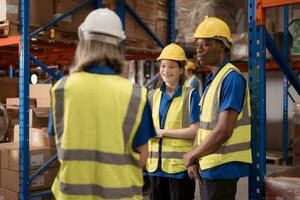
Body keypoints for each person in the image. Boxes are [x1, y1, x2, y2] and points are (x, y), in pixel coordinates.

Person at [50, 8, 156, 200]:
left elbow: (58, 144)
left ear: (83, 43)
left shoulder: (61, 89)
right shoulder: (135, 95)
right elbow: (142, 159)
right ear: (118, 46)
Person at [183, 17, 252, 200]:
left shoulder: (231, 79)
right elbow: (205, 127)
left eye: (204, 44)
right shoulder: (212, 79)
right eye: (197, 44)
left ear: (221, 45)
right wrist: (195, 157)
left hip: (223, 166)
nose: (198, 49)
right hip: (210, 164)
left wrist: (192, 154)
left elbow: (223, 130)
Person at [146, 43, 200, 200]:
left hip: (179, 169)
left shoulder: (191, 95)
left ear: (181, 70)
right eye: (163, 66)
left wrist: (161, 133)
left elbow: (195, 131)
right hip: (154, 167)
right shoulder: (151, 95)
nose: (165, 71)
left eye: (171, 67)